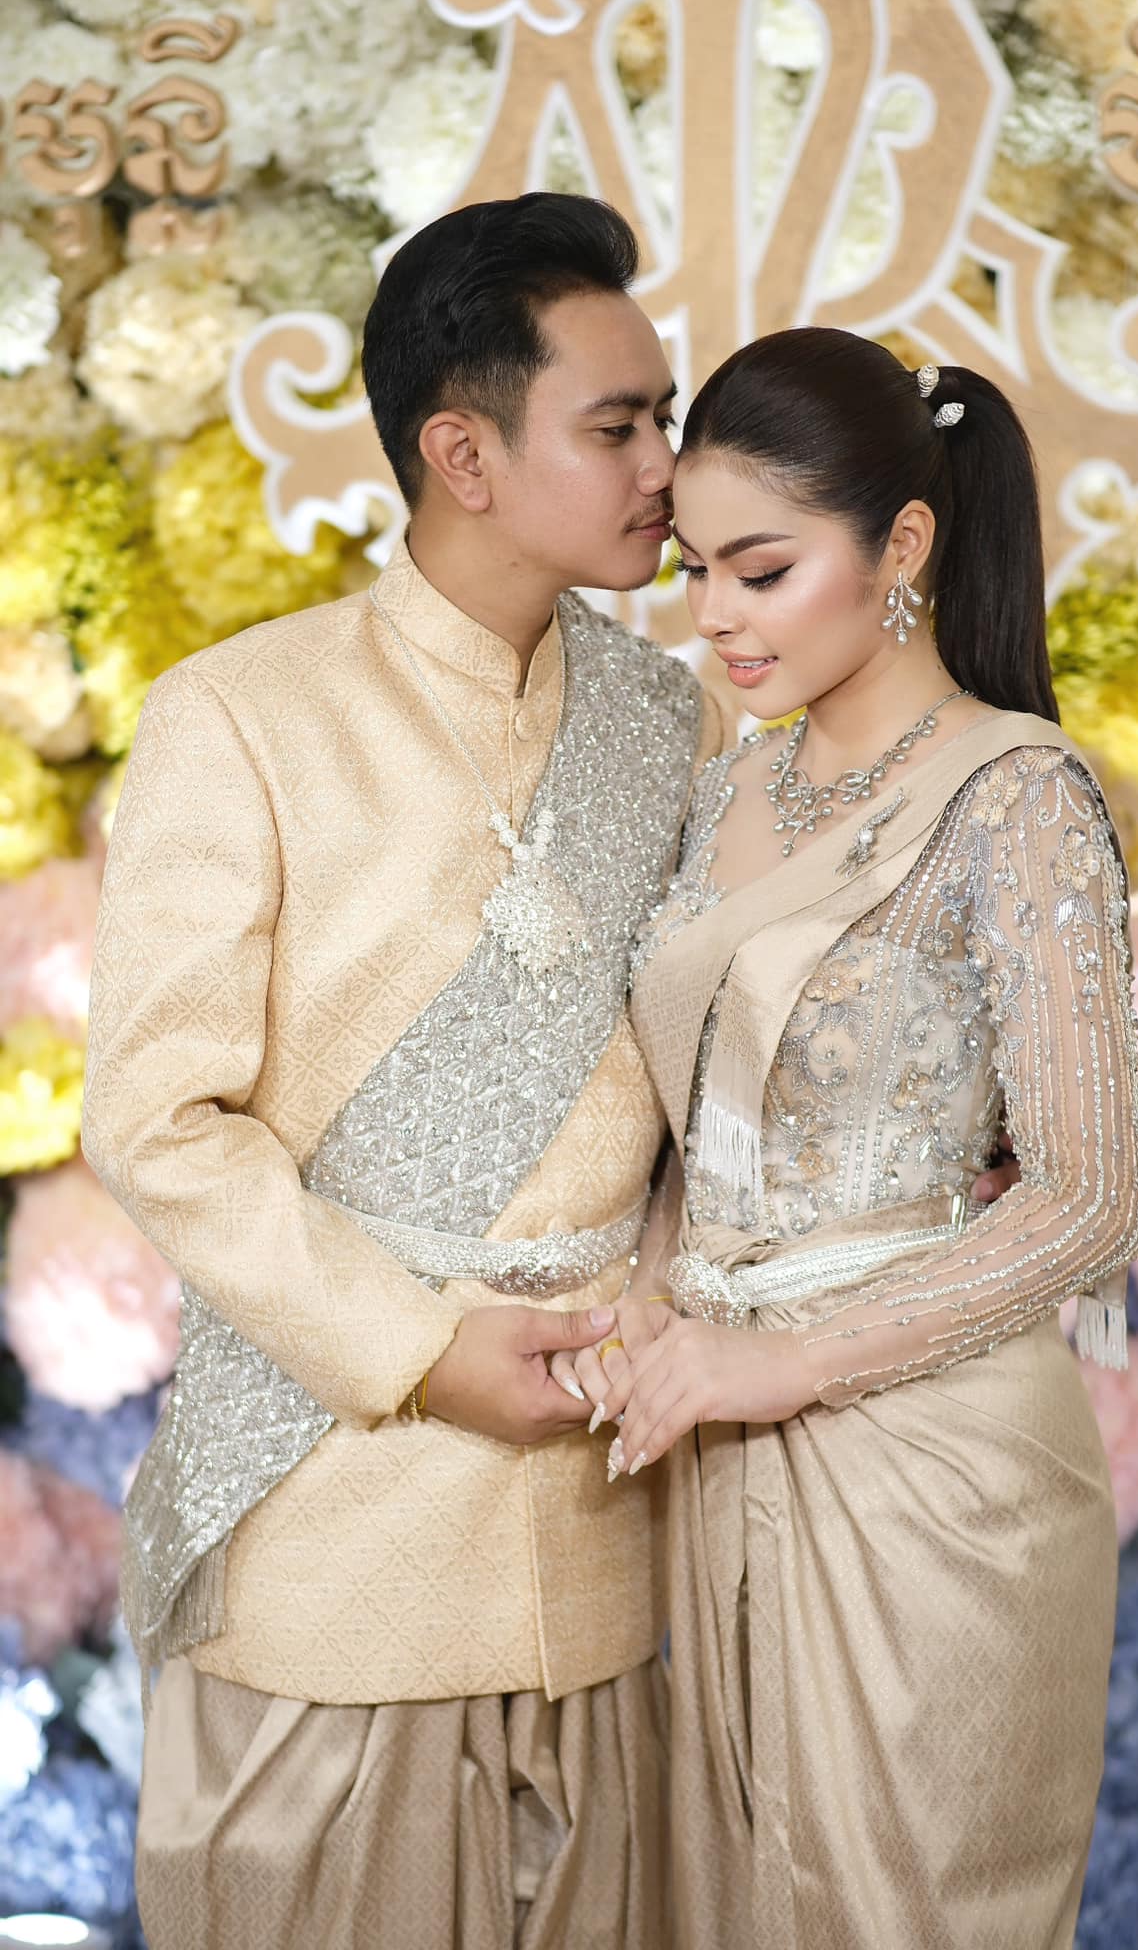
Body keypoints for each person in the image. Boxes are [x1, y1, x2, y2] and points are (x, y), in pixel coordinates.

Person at [80, 192, 724, 1950]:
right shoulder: (242, 715)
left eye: (664, 420)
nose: (666, 468)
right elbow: (157, 1123)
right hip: (333, 1546)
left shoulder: (671, 719)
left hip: (603, 1536)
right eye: (619, 425)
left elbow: (704, 1094)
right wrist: (425, 1353)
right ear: (464, 454)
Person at [575, 328, 1138, 1949]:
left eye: (763, 571)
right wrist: (653, 1299)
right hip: (714, 1441)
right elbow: (703, 1125)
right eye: (697, 570)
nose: (716, 616)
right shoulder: (731, 789)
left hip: (929, 1472)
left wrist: (787, 1360)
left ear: (902, 545)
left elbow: (1093, 1199)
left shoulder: (1015, 795)